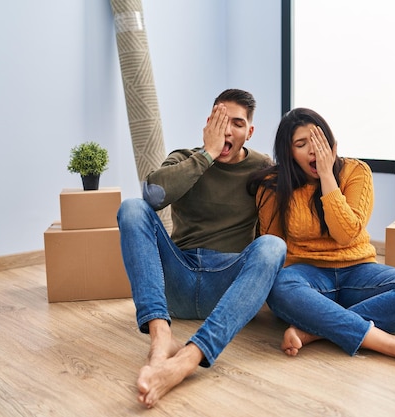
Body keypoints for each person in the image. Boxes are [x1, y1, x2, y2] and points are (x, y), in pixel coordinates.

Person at [117, 89, 286, 408]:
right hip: (176, 282)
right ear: (208, 123)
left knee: (273, 247)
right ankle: (160, 340)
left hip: (225, 286)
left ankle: (188, 359)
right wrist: (206, 155)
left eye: (237, 123)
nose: (227, 129)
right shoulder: (185, 158)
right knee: (131, 209)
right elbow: (153, 197)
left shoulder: (263, 167)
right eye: (220, 120)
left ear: (249, 132)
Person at [249, 107, 395, 372]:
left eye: (319, 141)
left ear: (333, 144)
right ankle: (391, 344)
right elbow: (274, 249)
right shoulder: (274, 184)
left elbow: (346, 233)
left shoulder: (356, 172)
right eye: (301, 144)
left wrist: (328, 177)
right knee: (279, 287)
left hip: (358, 270)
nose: (313, 150)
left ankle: (315, 331)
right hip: (307, 275)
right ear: (288, 152)